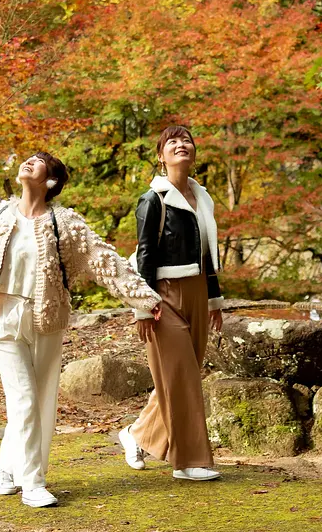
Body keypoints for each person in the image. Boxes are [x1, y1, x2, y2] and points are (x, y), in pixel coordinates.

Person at [0, 152, 161, 508]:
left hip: (47, 318)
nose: (28, 162)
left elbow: (104, 261)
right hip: (3, 316)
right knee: (24, 398)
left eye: (38, 162)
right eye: (27, 159)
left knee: (39, 401)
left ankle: (6, 469)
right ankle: (33, 482)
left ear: (51, 181)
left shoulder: (65, 223)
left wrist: (143, 298)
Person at [119, 126, 224, 481]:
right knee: (183, 378)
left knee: (184, 375)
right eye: (171, 143)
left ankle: (137, 434)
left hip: (197, 291)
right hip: (162, 294)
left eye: (187, 140)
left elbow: (210, 253)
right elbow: (144, 255)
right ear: (161, 156)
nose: (181, 145)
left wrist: (214, 300)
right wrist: (142, 307)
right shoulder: (153, 199)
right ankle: (188, 461)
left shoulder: (203, 197)